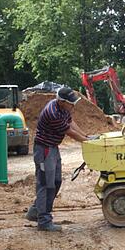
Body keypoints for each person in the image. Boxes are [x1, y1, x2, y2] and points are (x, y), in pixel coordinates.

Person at [26, 87, 89, 231]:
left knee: (56, 182)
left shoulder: (64, 109)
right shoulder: (53, 113)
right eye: (70, 103)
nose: (73, 105)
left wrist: (86, 136)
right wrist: (87, 142)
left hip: (53, 147)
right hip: (44, 149)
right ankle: (44, 221)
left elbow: (71, 123)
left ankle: (36, 210)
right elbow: (69, 132)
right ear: (61, 101)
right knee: (45, 184)